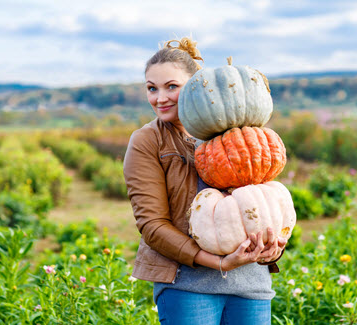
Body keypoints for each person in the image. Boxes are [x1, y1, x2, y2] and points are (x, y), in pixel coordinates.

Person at [123, 37, 287, 325]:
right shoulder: (147, 141)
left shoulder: (240, 132)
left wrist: (274, 245)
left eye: (171, 86)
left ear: (196, 85)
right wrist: (219, 263)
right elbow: (152, 225)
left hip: (251, 284)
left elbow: (266, 203)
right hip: (188, 286)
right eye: (152, 88)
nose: (160, 98)